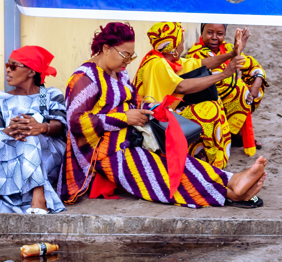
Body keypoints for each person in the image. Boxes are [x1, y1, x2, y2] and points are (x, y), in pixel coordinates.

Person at [61, 22, 266, 209]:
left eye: (131, 56)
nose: (128, 62)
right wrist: (125, 118)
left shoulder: (119, 72)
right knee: (160, 174)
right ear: (106, 49)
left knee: (178, 163)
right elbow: (76, 123)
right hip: (104, 153)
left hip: (131, 138)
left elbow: (133, 101)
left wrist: (149, 108)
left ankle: (231, 181)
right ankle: (230, 193)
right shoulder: (84, 79)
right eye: (125, 55)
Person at [0, 45, 67, 214]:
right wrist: (8, 131)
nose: (8, 70)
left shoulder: (50, 95)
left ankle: (39, 198)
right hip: (9, 148)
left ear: (31, 72)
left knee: (28, 131)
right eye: (7, 65)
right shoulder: (1, 98)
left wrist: (41, 127)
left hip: (45, 151)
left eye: (13, 66)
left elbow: (60, 126)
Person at [133, 22, 242, 169]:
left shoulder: (167, 60)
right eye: (181, 41)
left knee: (214, 104)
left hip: (164, 113)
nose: (183, 43)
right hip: (154, 121)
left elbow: (201, 63)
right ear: (174, 47)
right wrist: (224, 74)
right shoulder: (157, 64)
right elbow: (182, 86)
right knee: (209, 111)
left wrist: (232, 53)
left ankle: (211, 162)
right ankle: (205, 164)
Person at [185, 24, 268, 155]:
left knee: (254, 84)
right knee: (239, 92)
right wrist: (235, 58)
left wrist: (256, 84)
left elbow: (252, 64)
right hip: (206, 96)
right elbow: (217, 80)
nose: (214, 37)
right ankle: (233, 134)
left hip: (229, 95)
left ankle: (234, 132)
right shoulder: (195, 53)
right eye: (210, 32)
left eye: (219, 34)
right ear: (202, 32)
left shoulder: (228, 48)